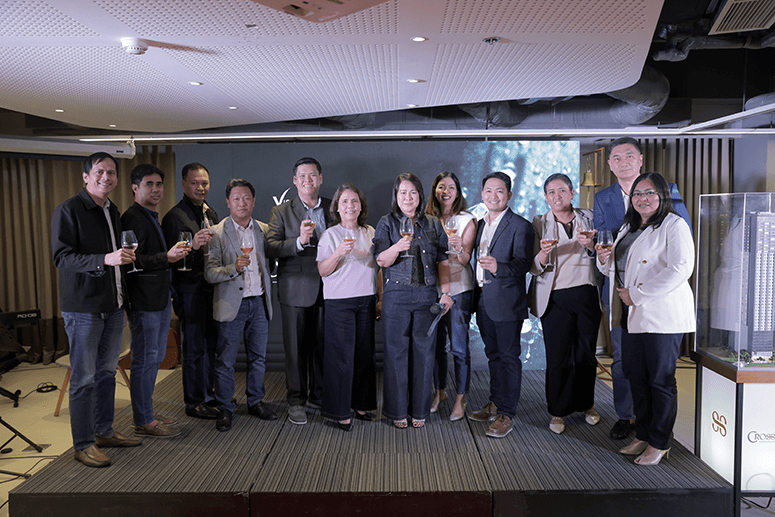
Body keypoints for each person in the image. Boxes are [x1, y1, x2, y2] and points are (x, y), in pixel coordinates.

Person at [593, 137, 692, 440]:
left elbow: (680, 265)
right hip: (625, 304)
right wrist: (601, 258)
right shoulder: (625, 223)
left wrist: (636, 294)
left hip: (658, 308)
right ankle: (635, 425)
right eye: (638, 194)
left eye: (649, 193)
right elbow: (612, 259)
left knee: (659, 377)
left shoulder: (673, 218)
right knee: (631, 369)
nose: (643, 198)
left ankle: (658, 440)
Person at [52, 152, 142, 468]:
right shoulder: (68, 210)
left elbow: (120, 262)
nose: (107, 177)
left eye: (112, 172)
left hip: (113, 307)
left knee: (106, 373)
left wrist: (124, 302)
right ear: (86, 176)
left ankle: (104, 432)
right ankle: (83, 444)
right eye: (100, 171)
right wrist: (104, 259)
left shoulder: (112, 210)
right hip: (83, 309)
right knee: (84, 378)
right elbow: (62, 258)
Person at [374, 174, 453, 429]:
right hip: (396, 296)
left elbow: (443, 260)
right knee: (395, 354)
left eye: (413, 192)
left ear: (420, 195)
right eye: (403, 193)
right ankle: (397, 412)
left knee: (424, 355)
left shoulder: (433, 223)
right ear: (396, 197)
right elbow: (381, 260)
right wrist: (397, 247)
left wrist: (446, 292)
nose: (408, 197)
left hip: (426, 296)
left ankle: (420, 410)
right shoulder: (386, 222)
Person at [529, 173, 602, 434]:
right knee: (558, 356)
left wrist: (591, 245)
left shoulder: (589, 217)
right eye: (551, 192)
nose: (557, 196)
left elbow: (604, 253)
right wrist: (543, 253)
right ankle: (558, 411)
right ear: (545, 197)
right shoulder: (539, 222)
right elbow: (532, 266)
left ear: (572, 193)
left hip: (586, 292)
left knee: (585, 355)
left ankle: (586, 404)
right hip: (555, 296)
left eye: (562, 190)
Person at [121, 164, 189, 438]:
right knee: (145, 360)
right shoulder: (132, 218)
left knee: (155, 358)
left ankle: (146, 412)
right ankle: (143, 420)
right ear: (135, 188)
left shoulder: (150, 215)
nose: (156, 189)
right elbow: (130, 262)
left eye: (159, 184)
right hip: (144, 302)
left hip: (158, 300)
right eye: (149, 184)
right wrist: (167, 257)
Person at [205, 179, 276, 432]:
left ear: (254, 201)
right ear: (228, 202)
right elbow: (210, 273)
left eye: (246, 198)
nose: (242, 203)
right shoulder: (216, 233)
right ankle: (225, 406)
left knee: (258, 358)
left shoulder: (265, 230)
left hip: (259, 302)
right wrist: (233, 268)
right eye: (236, 198)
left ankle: (256, 401)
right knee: (225, 361)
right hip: (230, 305)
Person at [468, 171, 534, 439]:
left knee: (508, 357)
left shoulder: (520, 225)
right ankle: (495, 402)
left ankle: (507, 414)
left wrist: (499, 267)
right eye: (488, 191)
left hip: (507, 301)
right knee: (493, 355)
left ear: (509, 195)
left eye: (499, 191)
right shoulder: (479, 224)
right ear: (482, 194)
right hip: (483, 299)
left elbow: (524, 264)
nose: (493, 196)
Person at [266, 157, 331, 425]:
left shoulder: (334, 207)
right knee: (295, 350)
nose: (307, 180)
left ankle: (319, 395)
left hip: (331, 288)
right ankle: (296, 401)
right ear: (294, 181)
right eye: (302, 176)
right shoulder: (281, 211)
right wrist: (299, 242)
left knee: (323, 347)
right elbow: (270, 247)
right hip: (295, 289)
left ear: (320, 178)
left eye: (312, 175)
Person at [317, 184, 378, 431]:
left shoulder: (370, 232)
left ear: (361, 206)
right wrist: (338, 254)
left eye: (354, 201)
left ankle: (361, 404)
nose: (350, 206)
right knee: (340, 357)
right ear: (337, 208)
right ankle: (340, 411)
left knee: (365, 354)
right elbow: (322, 270)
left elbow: (378, 267)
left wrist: (380, 298)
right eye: (344, 201)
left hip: (367, 299)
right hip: (339, 301)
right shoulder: (330, 235)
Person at [161, 162, 219, 420]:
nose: (200, 187)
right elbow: (173, 260)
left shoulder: (211, 213)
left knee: (210, 346)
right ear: (184, 184)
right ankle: (193, 402)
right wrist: (193, 245)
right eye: (194, 183)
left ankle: (209, 394)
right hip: (189, 291)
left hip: (211, 289)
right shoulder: (174, 217)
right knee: (194, 349)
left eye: (204, 183)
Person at [424, 172, 476, 421]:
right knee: (435, 347)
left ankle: (460, 397)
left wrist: (457, 246)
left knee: (458, 347)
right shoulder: (426, 219)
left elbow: (465, 260)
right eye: (441, 187)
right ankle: (440, 391)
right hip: (432, 289)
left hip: (458, 289)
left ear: (458, 191)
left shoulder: (467, 220)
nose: (445, 191)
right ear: (434, 190)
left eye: (451, 187)